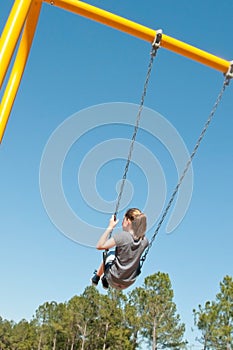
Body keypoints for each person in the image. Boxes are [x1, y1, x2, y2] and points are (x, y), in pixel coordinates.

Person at [91, 208, 149, 290]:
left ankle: (97, 277)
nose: (122, 223)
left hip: (113, 278)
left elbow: (100, 246)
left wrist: (110, 226)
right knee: (134, 257)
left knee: (110, 254)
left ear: (128, 221)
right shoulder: (145, 241)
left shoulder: (123, 236)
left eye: (123, 220)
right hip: (128, 282)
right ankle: (102, 278)